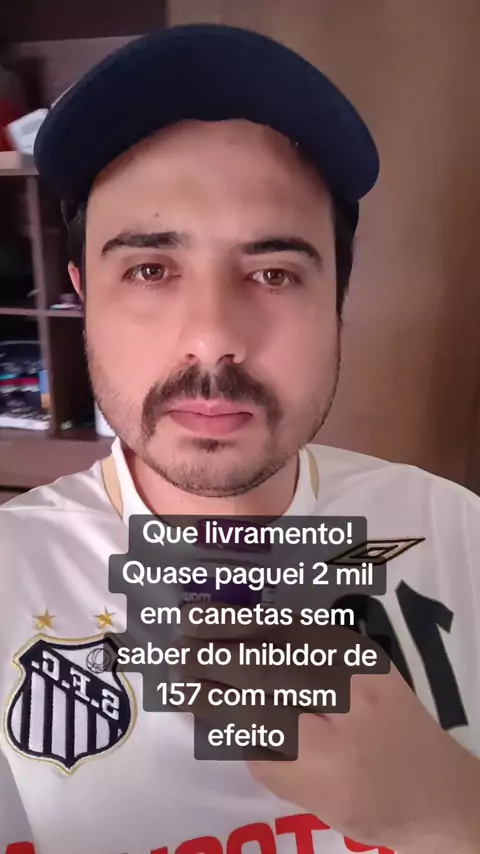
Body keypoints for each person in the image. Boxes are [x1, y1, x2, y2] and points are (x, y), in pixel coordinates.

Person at [0, 23, 479, 854]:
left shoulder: (461, 536)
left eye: (274, 273)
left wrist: (450, 813)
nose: (213, 337)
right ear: (83, 296)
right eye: (150, 269)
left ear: (337, 301)